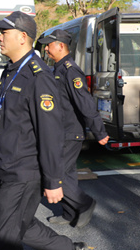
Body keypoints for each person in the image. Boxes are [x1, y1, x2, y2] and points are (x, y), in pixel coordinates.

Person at [0, 11, 87, 250]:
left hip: (25, 170)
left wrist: (54, 180)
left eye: (4, 33)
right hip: (9, 163)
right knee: (21, 226)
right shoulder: (11, 70)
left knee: (5, 239)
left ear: (22, 37)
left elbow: (51, 133)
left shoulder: (39, 77)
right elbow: (0, 114)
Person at [39, 29, 109, 228]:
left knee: (57, 174)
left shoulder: (70, 70)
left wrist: (99, 131)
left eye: (49, 45)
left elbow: (84, 102)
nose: (46, 49)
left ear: (61, 46)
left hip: (70, 132)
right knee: (67, 174)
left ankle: (85, 203)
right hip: (61, 130)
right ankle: (69, 213)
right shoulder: (58, 68)